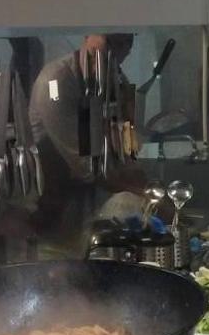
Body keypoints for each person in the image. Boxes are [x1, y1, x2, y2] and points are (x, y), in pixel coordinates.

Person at [28, 34, 155, 256]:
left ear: (129, 48)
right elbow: (86, 165)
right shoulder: (55, 82)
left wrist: (140, 178)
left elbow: (128, 146)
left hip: (89, 205)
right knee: (59, 271)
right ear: (87, 38)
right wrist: (141, 193)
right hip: (51, 205)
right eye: (106, 44)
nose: (109, 55)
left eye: (121, 45)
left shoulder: (116, 78)